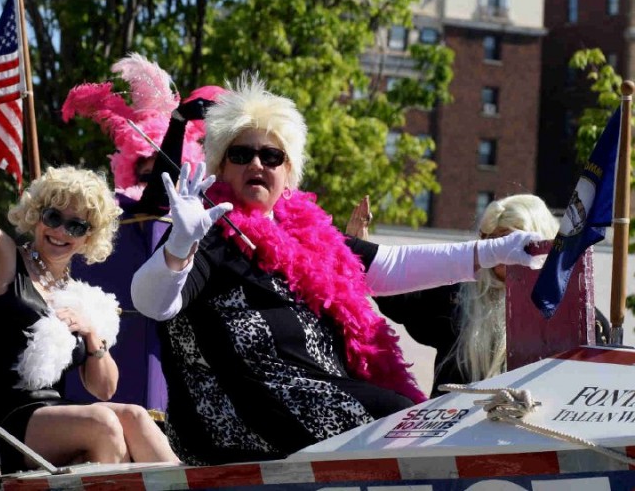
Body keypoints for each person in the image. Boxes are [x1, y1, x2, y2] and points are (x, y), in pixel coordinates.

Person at [130, 75, 544, 465]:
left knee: (416, 418)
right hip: (231, 411)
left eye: (271, 155)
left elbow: (393, 265)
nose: (257, 162)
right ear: (221, 167)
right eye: (241, 154)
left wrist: (496, 251)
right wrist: (178, 248)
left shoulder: (309, 235)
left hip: (317, 393)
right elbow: (152, 302)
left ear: (288, 173)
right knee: (395, 416)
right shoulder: (210, 231)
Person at [0, 166, 179, 476]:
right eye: (53, 218)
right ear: (35, 215)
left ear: (90, 236)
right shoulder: (3, 260)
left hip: (48, 416)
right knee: (103, 425)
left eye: (76, 226)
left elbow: (105, 389)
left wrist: (91, 335)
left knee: (135, 416)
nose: (61, 232)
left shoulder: (81, 298)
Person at [62, 53, 224, 415]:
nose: (156, 182)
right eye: (145, 172)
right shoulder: (115, 209)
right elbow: (155, 202)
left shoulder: (206, 218)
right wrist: (179, 123)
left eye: (167, 172)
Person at [362, 193, 611, 397]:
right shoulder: (458, 296)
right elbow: (400, 293)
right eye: (493, 242)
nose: (502, 255)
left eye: (513, 241)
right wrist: (360, 255)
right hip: (455, 440)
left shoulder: (581, 318)